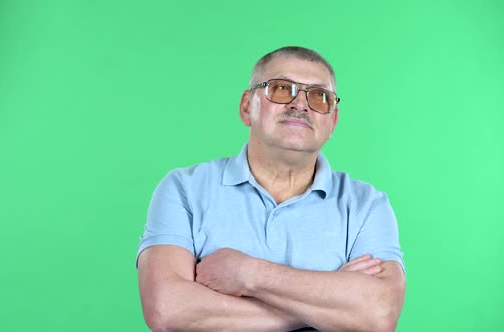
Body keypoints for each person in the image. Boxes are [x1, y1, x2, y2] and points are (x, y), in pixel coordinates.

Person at [136, 46, 405, 331]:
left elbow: (378, 315)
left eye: (319, 96)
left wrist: (248, 274)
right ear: (246, 107)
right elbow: (166, 311)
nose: (300, 105)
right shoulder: (183, 189)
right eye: (280, 89)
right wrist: (330, 306)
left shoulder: (367, 205)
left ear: (333, 121)